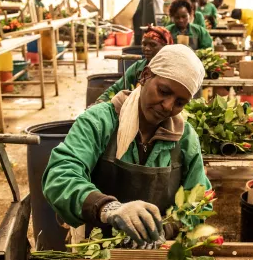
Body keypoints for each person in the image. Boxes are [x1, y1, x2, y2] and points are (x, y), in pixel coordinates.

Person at [42, 45, 211, 247]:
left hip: (153, 253)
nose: (168, 105)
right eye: (164, 91)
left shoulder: (184, 138)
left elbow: (199, 201)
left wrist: (164, 228)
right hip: (95, 248)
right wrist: (109, 208)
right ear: (145, 75)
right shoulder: (99, 122)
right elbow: (60, 175)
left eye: (180, 102)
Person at [96, 25, 173, 104]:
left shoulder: (171, 70)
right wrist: (99, 102)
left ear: (165, 47)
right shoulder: (138, 67)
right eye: (144, 44)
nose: (147, 48)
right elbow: (116, 88)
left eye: (153, 45)